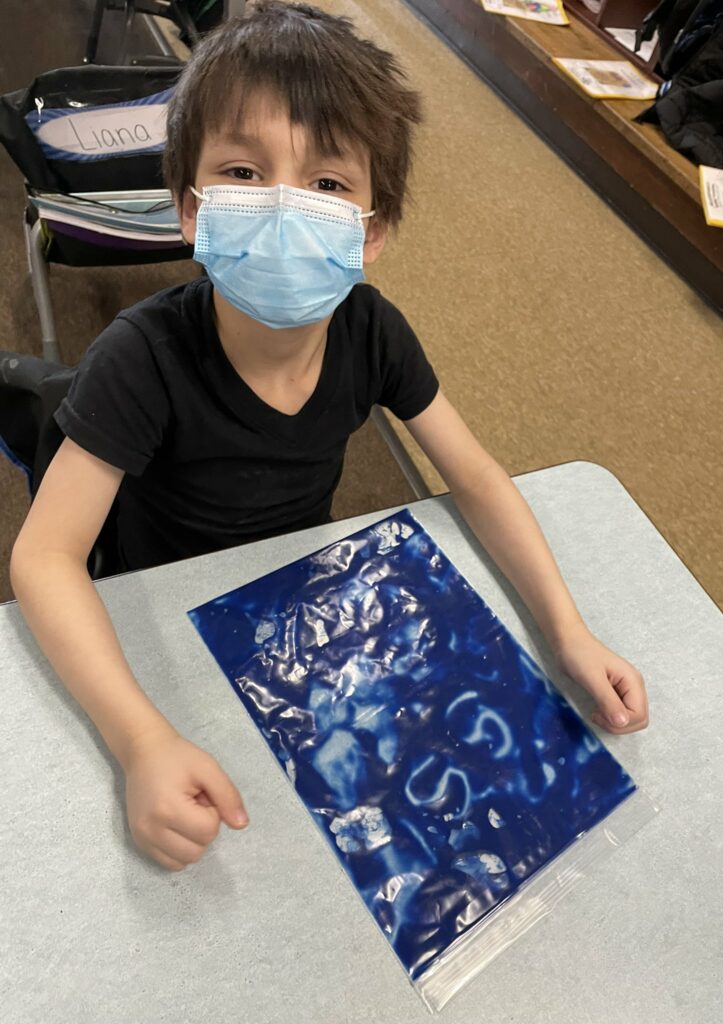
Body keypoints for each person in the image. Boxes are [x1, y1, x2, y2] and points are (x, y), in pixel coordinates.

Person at [10, 1, 648, 873]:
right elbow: (44, 559)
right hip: (161, 611)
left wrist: (568, 631)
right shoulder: (140, 358)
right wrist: (141, 743)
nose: (282, 207)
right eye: (243, 169)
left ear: (371, 233)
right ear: (190, 210)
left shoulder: (371, 332)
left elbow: (477, 475)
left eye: (327, 184)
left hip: (289, 612)